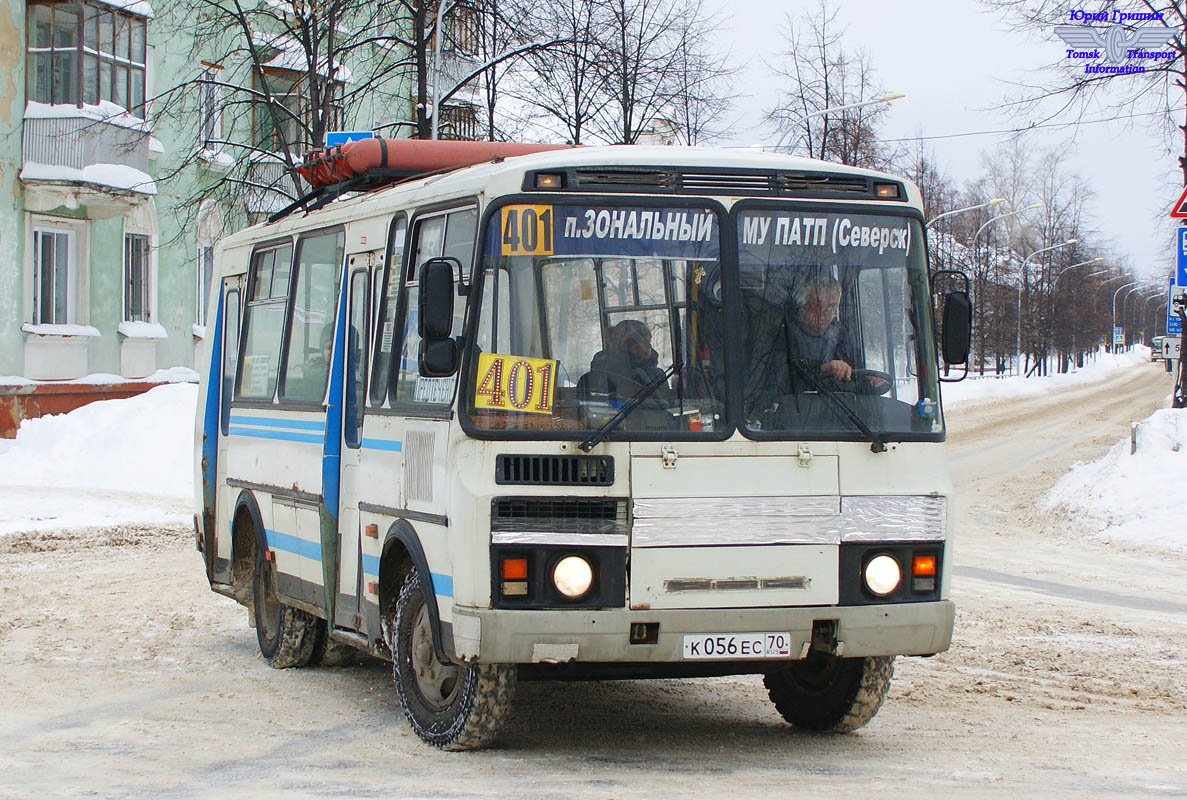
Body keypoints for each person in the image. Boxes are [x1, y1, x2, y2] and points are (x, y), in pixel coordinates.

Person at [586, 319, 668, 404]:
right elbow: (603, 403)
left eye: (649, 341)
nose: (649, 346)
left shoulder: (657, 373)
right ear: (628, 345)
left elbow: (666, 404)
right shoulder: (605, 372)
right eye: (644, 341)